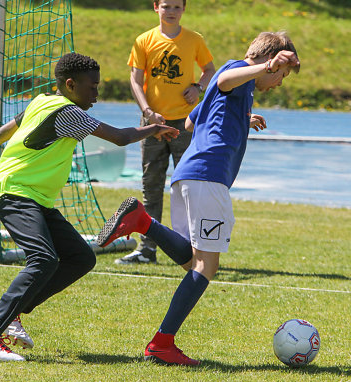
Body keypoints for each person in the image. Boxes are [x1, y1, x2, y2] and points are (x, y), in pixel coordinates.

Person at [0, 52, 179, 361]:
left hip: (33, 196)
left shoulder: (41, 101)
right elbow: (119, 137)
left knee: (80, 258)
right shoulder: (69, 112)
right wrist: (154, 128)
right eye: (92, 87)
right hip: (15, 192)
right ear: (70, 84)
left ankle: (4, 307)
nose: (96, 93)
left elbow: (0, 134)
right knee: (44, 259)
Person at [98, 32, 300, 365]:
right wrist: (265, 65)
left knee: (194, 261)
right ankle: (161, 344)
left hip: (189, 175)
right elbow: (224, 78)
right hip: (209, 175)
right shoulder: (237, 72)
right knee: (208, 265)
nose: (279, 82)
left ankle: (142, 221)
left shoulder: (241, 89)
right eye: (281, 74)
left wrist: (238, 117)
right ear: (271, 63)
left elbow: (192, 121)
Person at [115, 0, 215, 265]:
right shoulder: (143, 40)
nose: (171, 11)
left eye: (177, 7)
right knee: (152, 185)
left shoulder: (194, 40)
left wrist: (198, 87)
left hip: (185, 124)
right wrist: (148, 112)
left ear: (184, 10)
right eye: (166, 6)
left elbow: (209, 71)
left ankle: (194, 247)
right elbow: (135, 81)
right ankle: (147, 249)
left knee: (188, 186)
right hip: (152, 125)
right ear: (156, 7)